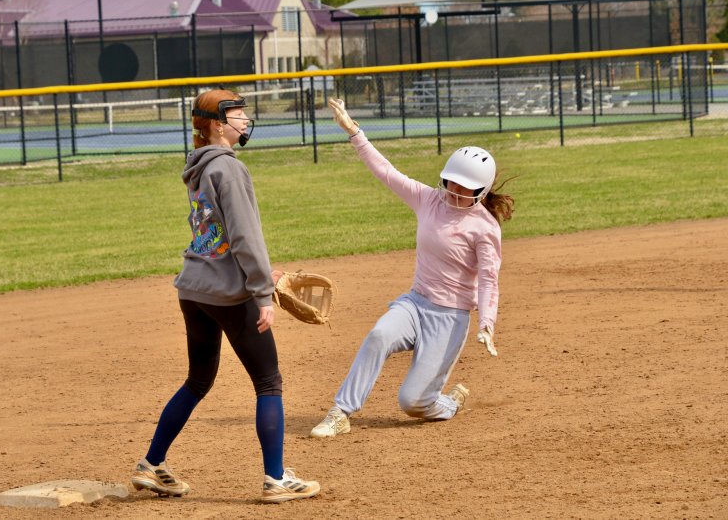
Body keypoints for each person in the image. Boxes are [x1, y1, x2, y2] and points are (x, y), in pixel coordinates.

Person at [131, 89, 320, 503]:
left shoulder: (199, 165)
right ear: (218, 125)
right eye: (237, 114)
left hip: (194, 288)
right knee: (268, 381)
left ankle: (151, 464)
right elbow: (244, 236)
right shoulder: (229, 169)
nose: (245, 120)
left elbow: (215, 235)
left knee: (198, 380)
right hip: (228, 294)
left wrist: (262, 274)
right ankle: (276, 478)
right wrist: (263, 293)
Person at [310, 98, 514, 439]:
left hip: (450, 319)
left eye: (464, 186)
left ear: (481, 191)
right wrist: (354, 131)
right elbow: (386, 171)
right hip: (415, 304)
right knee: (378, 335)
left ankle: (448, 403)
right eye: (451, 181)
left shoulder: (484, 228)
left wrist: (487, 322)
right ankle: (340, 413)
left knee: (413, 403)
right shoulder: (429, 199)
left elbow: (489, 280)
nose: (454, 189)